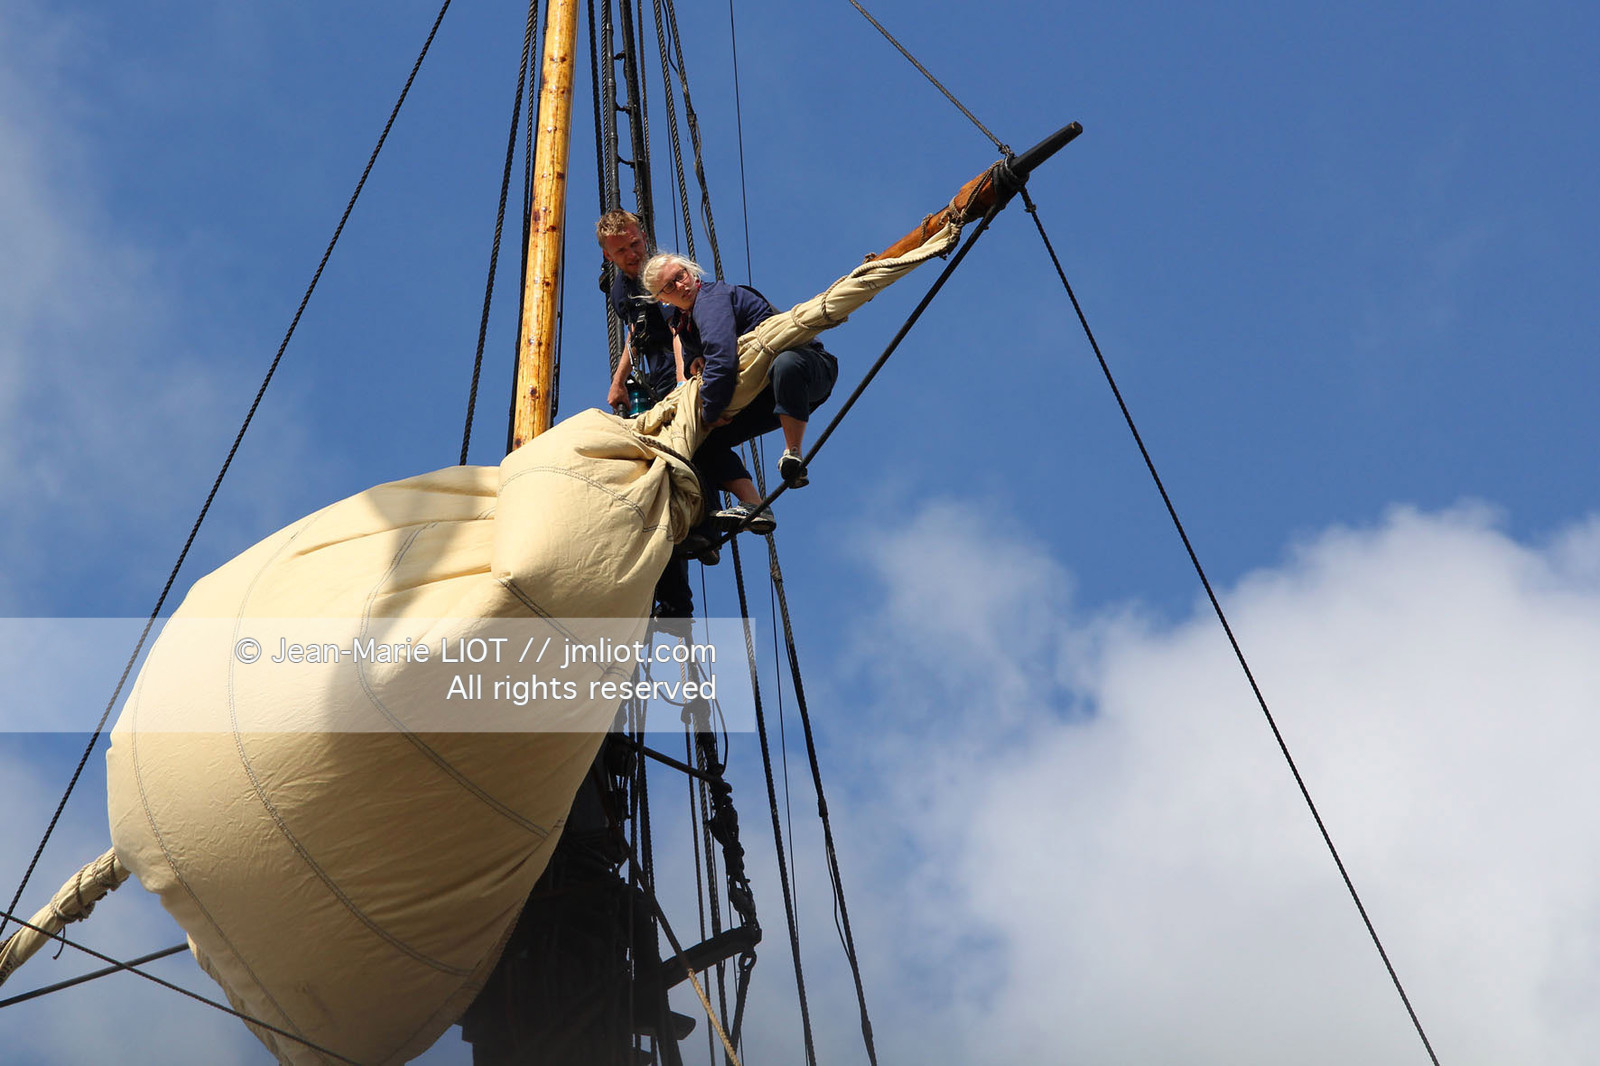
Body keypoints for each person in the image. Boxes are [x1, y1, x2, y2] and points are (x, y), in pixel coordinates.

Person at [641, 252, 838, 535]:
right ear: (662, 298)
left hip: (809, 368)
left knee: (785, 363)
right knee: (703, 443)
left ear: (691, 271)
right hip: (768, 392)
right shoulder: (685, 321)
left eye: (680, 275)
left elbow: (722, 359)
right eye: (670, 286)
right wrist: (697, 356)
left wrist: (710, 413)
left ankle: (793, 453)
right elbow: (703, 352)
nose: (680, 285)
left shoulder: (709, 300)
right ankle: (754, 506)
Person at [595, 210, 699, 621]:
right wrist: (619, 379)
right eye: (622, 250)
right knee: (645, 482)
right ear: (608, 255)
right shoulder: (621, 288)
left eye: (636, 243)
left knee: (674, 465)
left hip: (682, 370)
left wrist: (679, 382)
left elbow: (678, 327)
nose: (633, 253)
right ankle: (672, 599)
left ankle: (701, 528)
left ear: (643, 236)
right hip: (653, 378)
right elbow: (635, 333)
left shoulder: (659, 273)